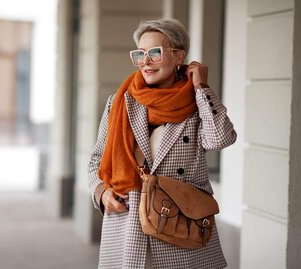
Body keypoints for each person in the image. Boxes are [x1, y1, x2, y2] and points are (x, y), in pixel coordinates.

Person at [88, 18, 236, 269]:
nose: (145, 61)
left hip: (180, 225)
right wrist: (102, 192)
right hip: (130, 222)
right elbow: (96, 160)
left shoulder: (196, 102)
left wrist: (201, 87)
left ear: (179, 56)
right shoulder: (121, 102)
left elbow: (221, 138)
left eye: (155, 53)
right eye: (140, 54)